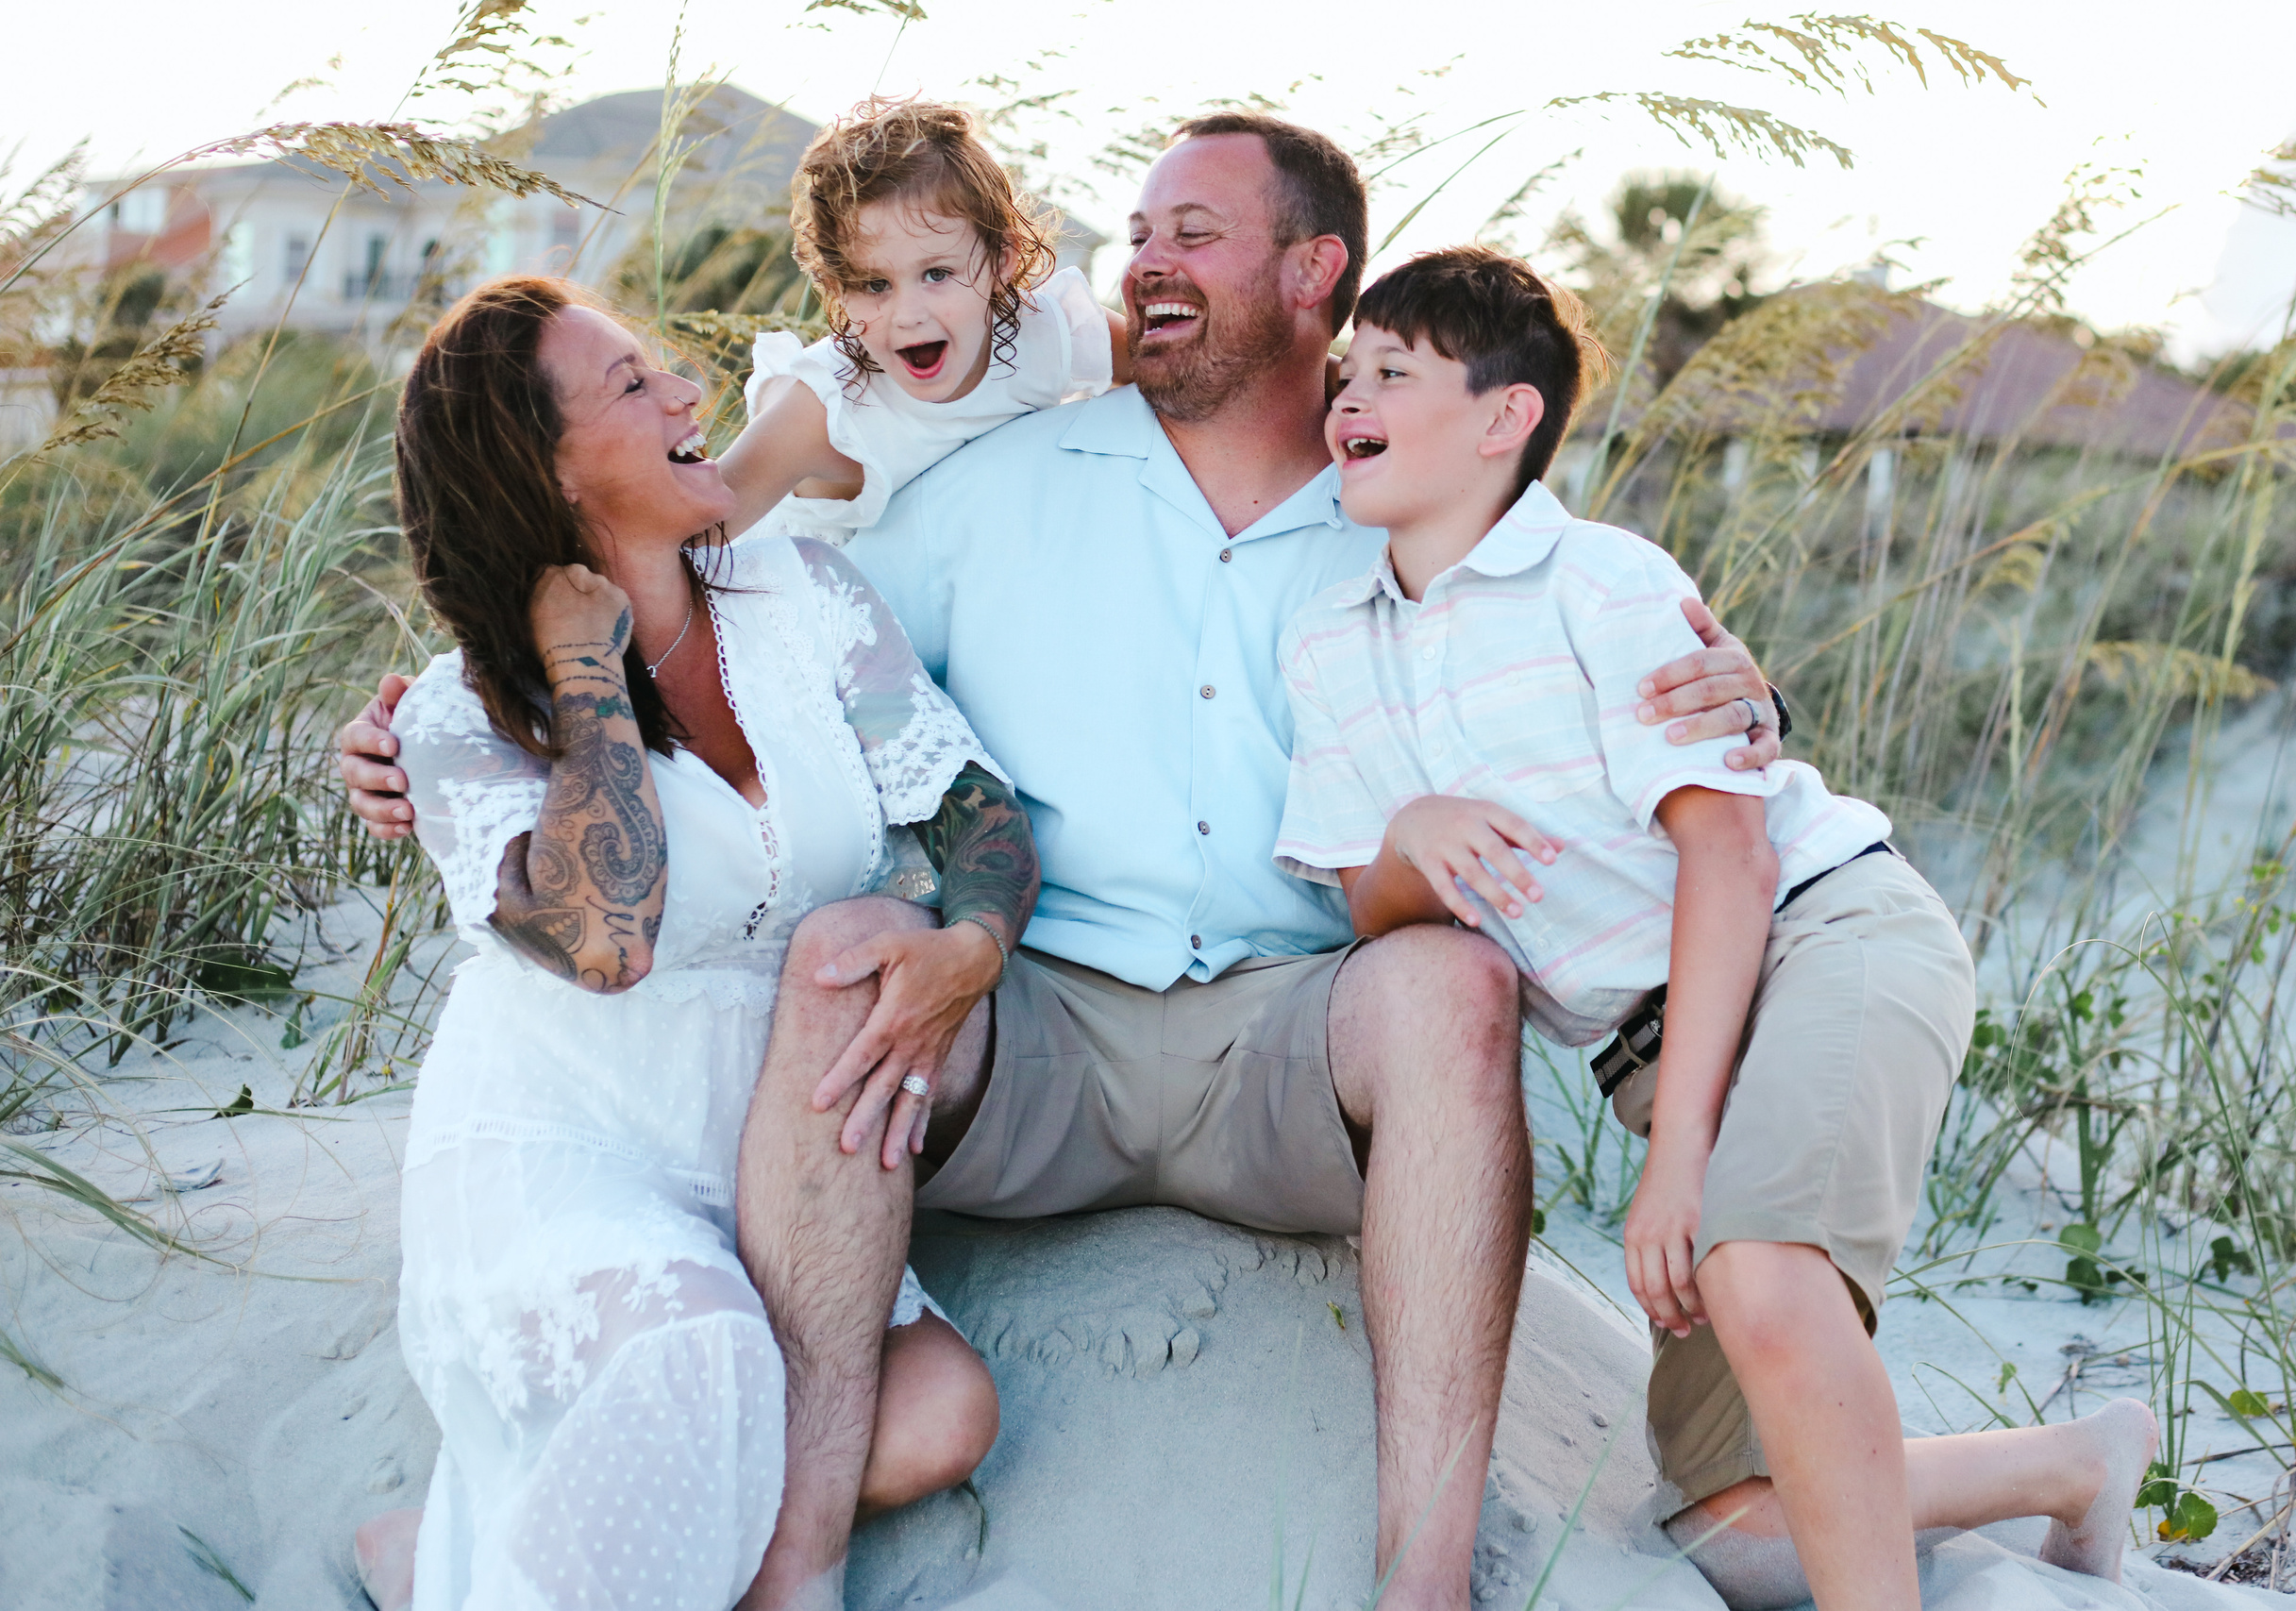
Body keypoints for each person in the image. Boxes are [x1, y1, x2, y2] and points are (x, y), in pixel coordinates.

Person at [340, 115, 1782, 1611]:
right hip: (1032, 1032)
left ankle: (1427, 1584)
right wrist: (424, 703)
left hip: (1291, 1028)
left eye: (1193, 235)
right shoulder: (986, 491)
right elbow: (676, 617)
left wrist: (1742, 695)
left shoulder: (1409, 513)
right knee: (846, 953)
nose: (1146, 262)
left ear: (1315, 270)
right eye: (1139, 231)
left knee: (1454, 985)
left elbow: (1595, 679)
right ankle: (794, 1569)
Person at [1271, 244, 2161, 1611]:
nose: (1351, 395)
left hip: (1822, 933)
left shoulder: (1600, 582)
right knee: (1732, 1527)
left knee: (1753, 1267)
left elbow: (1732, 853)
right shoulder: (1331, 636)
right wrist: (1411, 839)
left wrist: (1677, 1157)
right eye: (1348, 373)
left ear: (1506, 419)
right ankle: (2072, 1465)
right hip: (1655, 1044)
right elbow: (1362, 902)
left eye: (1395, 370)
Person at [365, 276, 1033, 1611]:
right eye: (632, 386)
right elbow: (605, 943)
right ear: (543, 473)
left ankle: (451, 1544)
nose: (688, 395)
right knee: (697, 1351)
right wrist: (585, 668)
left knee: (937, 1415)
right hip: (563, 1148)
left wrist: (972, 936)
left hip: (774, 1165)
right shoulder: (458, 714)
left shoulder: (807, 593)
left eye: (663, 369)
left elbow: (974, 807)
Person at [713, 96, 1130, 545]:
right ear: (837, 290)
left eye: (937, 274)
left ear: (1001, 261)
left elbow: (1178, 383)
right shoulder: (823, 412)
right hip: (821, 597)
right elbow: (692, 536)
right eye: (874, 284)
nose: (908, 316)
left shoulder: (1051, 332)